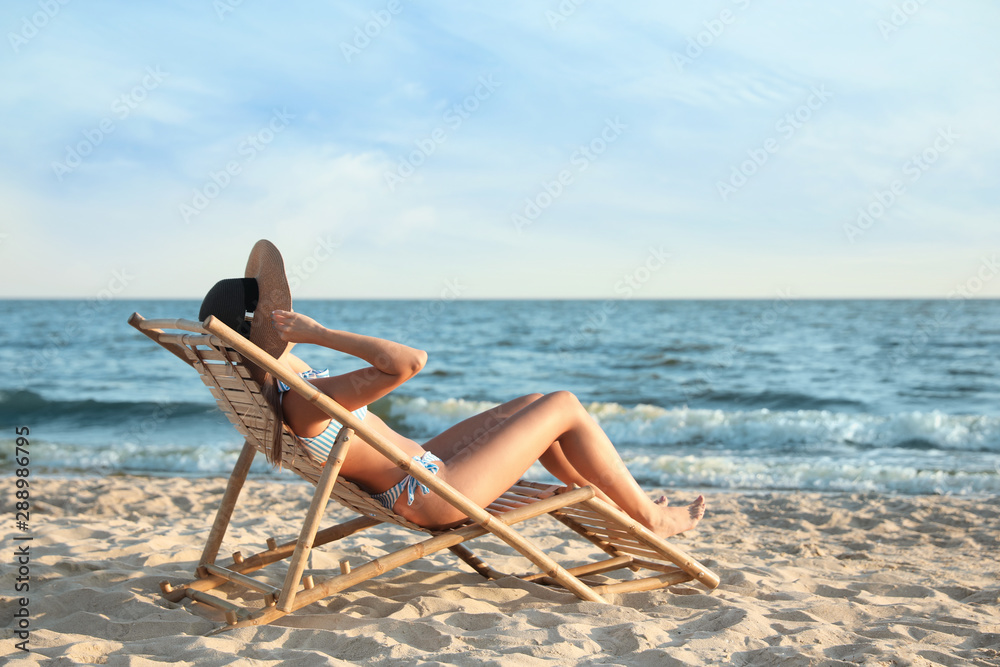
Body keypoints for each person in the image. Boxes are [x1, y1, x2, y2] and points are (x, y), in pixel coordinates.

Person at [200, 241, 705, 539]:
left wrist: (285, 340)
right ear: (265, 335)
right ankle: (652, 518)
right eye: (273, 312)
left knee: (533, 407)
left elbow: (275, 356)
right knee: (564, 406)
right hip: (433, 494)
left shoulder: (281, 385)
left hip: (426, 467)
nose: (283, 314)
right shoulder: (302, 401)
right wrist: (322, 334)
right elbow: (407, 362)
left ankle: (607, 501)